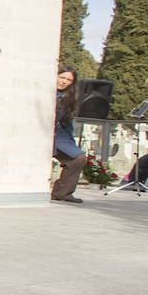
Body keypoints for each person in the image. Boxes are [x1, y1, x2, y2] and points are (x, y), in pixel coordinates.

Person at [52, 67, 87, 203]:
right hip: (41, 133)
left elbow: (67, 124)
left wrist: (70, 143)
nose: (64, 82)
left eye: (69, 80)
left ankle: (62, 192)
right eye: (62, 77)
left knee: (78, 158)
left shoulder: (69, 99)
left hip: (59, 136)